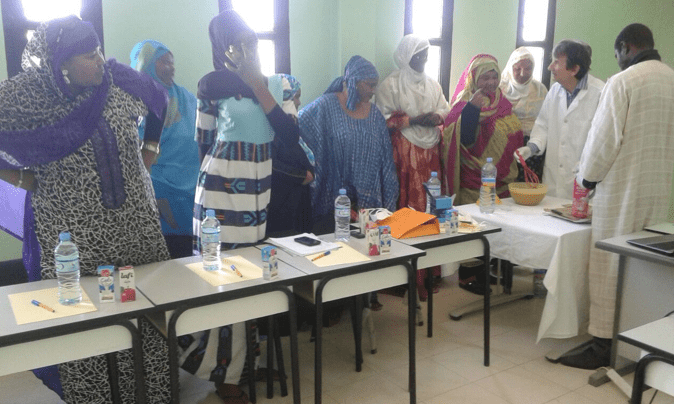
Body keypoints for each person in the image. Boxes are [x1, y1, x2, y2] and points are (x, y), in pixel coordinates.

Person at [0, 16, 171, 403]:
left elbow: (160, 100)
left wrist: (150, 152)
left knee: (146, 313)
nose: (99, 59)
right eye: (88, 55)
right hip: (73, 241)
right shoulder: (28, 96)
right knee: (86, 325)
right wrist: (21, 180)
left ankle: (151, 395)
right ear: (61, 63)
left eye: (98, 50)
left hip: (136, 228)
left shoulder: (116, 81)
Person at [189, 10, 302, 402]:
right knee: (224, 280)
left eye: (251, 40)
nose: (246, 48)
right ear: (223, 50)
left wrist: (257, 84)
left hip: (258, 194)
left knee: (250, 278)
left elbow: (289, 137)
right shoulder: (210, 86)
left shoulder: (280, 83)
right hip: (218, 195)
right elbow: (202, 143)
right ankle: (227, 374)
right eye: (236, 43)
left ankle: (240, 363)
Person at [559, 24, 674, 370]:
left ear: (625, 47)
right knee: (645, 270)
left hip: (621, 191)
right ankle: (639, 342)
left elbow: (603, 139)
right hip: (657, 191)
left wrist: (586, 179)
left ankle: (603, 344)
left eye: (617, 53)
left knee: (609, 267)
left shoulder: (622, 82)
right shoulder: (671, 79)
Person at [375, 34, 449, 301]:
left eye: (426, 56)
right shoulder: (391, 85)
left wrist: (436, 118)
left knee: (430, 208)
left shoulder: (432, 84)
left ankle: (428, 273)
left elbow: (445, 109)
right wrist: (414, 119)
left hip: (430, 153)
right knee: (407, 207)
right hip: (404, 154)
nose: (423, 61)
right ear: (406, 57)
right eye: (418, 56)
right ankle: (404, 276)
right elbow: (382, 119)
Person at [299, 55, 399, 233]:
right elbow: (298, 125)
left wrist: (390, 203)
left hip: (369, 206)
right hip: (334, 205)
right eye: (370, 85)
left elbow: (386, 162)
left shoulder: (375, 115)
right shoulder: (326, 106)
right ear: (354, 82)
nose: (374, 91)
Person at [130, 40, 200, 259]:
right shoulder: (132, 100)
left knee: (187, 253)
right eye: (163, 61)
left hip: (189, 187)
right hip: (154, 185)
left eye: (172, 61)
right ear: (146, 63)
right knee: (159, 254)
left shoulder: (186, 98)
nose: (171, 67)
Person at [514, 40, 604, 199]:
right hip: (553, 183)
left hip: (583, 186)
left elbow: (602, 141)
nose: (550, 67)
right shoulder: (555, 91)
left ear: (574, 69)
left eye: (556, 62)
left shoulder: (600, 93)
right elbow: (542, 126)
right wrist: (531, 148)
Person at [442, 54, 523, 206]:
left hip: (504, 182)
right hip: (474, 183)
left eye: (494, 77)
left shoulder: (502, 100)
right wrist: (472, 110)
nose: (491, 83)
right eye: (485, 78)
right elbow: (462, 139)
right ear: (473, 78)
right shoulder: (463, 103)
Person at [266, 73, 314, 237]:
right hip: (280, 207)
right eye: (295, 97)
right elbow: (270, 164)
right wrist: (300, 175)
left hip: (296, 204)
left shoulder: (292, 129)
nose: (299, 102)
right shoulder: (271, 131)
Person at [500, 47, 548, 181]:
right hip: (506, 141)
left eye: (528, 69)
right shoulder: (502, 89)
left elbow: (546, 118)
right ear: (511, 68)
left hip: (533, 142)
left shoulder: (540, 89)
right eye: (517, 69)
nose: (522, 73)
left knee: (529, 180)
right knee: (508, 180)